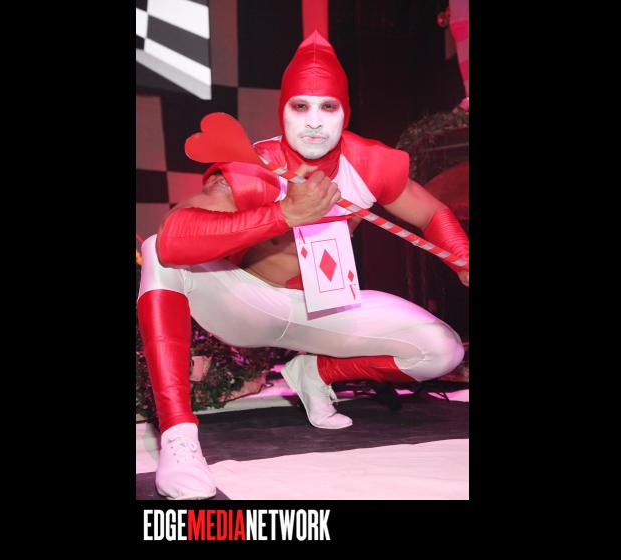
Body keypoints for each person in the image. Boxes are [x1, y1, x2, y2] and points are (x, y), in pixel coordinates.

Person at [137, 31, 469, 500]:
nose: (314, 122)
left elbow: (432, 212)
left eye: (327, 107)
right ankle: (178, 436)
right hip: (247, 303)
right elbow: (176, 235)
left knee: (441, 350)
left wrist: (460, 256)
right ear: (283, 111)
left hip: (324, 309)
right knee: (159, 250)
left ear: (345, 112)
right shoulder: (256, 165)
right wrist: (284, 214)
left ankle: (314, 374)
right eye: (300, 106)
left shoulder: (368, 163)